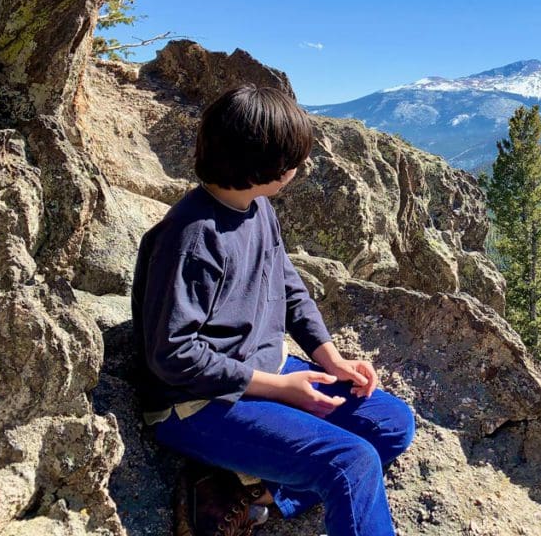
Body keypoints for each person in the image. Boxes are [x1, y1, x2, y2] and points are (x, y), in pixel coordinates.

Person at [131, 83, 415, 536]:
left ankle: (252, 495)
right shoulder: (190, 236)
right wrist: (278, 388)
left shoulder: (257, 208)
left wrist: (330, 357)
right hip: (196, 404)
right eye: (292, 160)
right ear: (261, 165)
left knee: (391, 423)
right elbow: (172, 355)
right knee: (351, 461)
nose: (300, 167)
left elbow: (288, 286)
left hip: (266, 371)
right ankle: (241, 480)